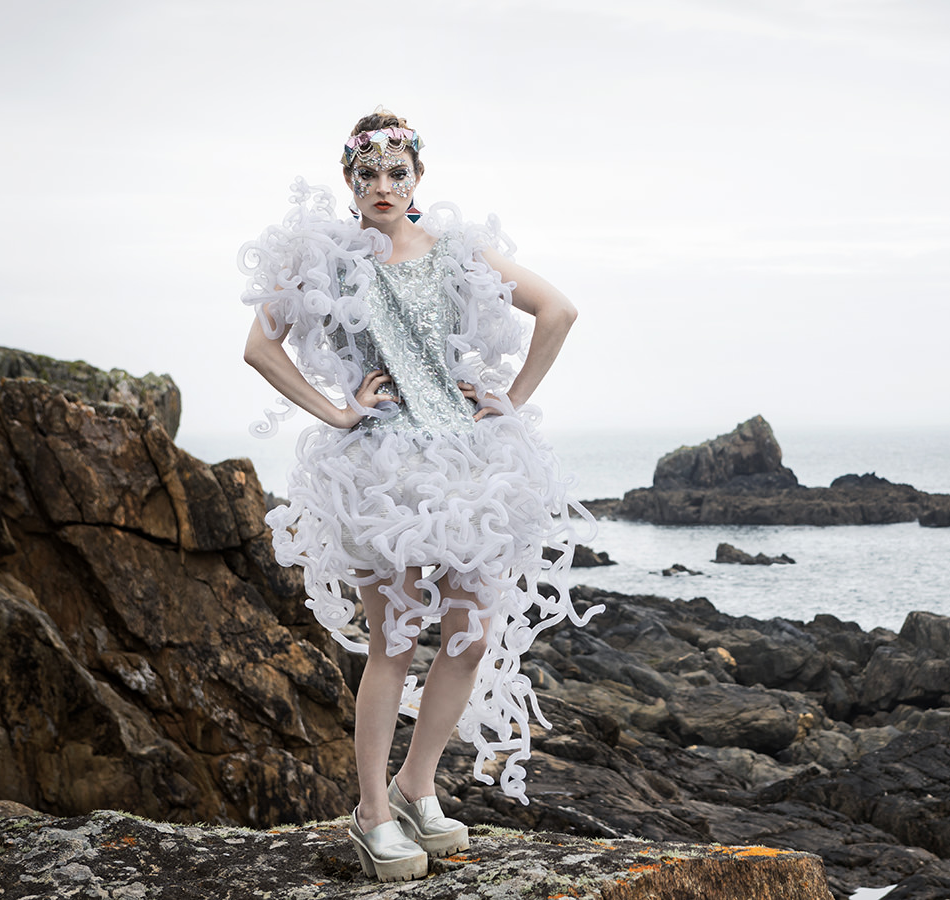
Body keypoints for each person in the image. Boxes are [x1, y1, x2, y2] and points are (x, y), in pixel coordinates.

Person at [240, 109, 601, 882]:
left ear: (417, 181)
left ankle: (416, 786)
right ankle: (371, 810)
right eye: (366, 173)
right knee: (394, 643)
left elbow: (559, 310)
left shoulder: (455, 253)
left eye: (395, 173)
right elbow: (258, 346)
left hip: (466, 464)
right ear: (348, 181)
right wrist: (338, 410)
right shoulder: (327, 262)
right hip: (377, 470)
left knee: (470, 634)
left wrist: (510, 397)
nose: (381, 185)